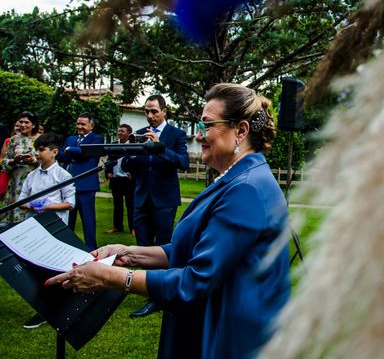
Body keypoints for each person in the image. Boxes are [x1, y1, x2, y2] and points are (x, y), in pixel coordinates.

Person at [46, 83, 291, 359]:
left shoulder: (247, 188)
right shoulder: (237, 177)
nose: (198, 136)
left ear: (241, 131)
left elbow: (195, 281)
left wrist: (111, 277)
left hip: (228, 337)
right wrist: (130, 253)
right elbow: (195, 248)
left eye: (207, 126)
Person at [121, 94, 189, 318]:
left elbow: (183, 163)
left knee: (162, 246)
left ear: (164, 111)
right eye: (146, 112)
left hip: (165, 199)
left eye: (154, 111)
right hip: (140, 198)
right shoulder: (138, 135)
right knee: (142, 247)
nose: (149, 116)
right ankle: (151, 291)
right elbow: (129, 164)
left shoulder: (176, 134)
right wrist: (131, 151)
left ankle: (163, 293)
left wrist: (159, 148)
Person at [18, 132, 76, 329]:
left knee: (51, 268)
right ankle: (42, 306)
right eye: (37, 149)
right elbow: (22, 200)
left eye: (42, 150)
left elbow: (70, 203)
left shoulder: (63, 176)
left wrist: (47, 206)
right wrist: (32, 205)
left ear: (54, 152)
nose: (38, 153)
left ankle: (52, 306)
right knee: (33, 268)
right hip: (33, 226)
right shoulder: (32, 175)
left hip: (54, 227)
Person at [57, 113, 104, 250]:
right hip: (68, 185)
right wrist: (72, 151)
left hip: (86, 185)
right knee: (68, 218)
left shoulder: (97, 138)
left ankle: (91, 248)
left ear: (91, 126)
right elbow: (60, 155)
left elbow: (86, 153)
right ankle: (67, 246)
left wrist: (70, 150)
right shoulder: (71, 138)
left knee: (88, 219)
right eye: (78, 123)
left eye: (83, 124)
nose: (79, 127)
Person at [1, 112, 39, 222]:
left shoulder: (39, 139)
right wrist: (13, 161)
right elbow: (4, 161)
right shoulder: (14, 140)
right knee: (13, 211)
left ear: (33, 124)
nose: (23, 124)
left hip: (33, 179)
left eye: (26, 122)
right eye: (21, 122)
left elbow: (47, 159)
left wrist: (34, 160)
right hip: (16, 180)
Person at [104, 124, 135, 234]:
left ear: (129, 133)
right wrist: (108, 172)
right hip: (116, 179)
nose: (119, 133)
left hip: (128, 180)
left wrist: (133, 174)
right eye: (119, 131)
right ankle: (117, 227)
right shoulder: (113, 145)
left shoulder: (134, 146)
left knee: (130, 205)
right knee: (117, 205)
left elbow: (137, 162)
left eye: (122, 131)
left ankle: (133, 228)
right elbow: (109, 160)